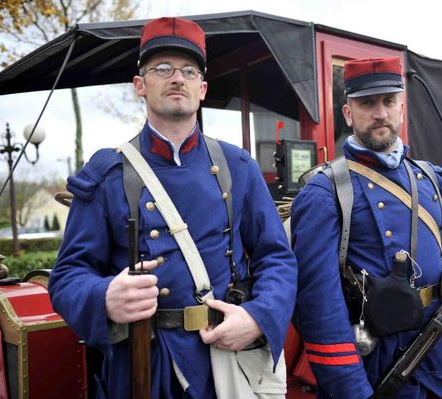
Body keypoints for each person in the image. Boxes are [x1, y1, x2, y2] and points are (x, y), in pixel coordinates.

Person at [48, 16, 297, 399]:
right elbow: (67, 275)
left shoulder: (238, 166)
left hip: (223, 364)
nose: (177, 78)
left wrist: (258, 317)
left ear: (202, 88)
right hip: (141, 369)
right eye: (162, 68)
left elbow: (276, 258)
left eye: (189, 70)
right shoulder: (107, 173)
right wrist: (103, 297)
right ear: (140, 86)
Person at [291, 57, 442, 399]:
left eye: (388, 100)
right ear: (348, 114)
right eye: (367, 103)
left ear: (401, 106)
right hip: (374, 367)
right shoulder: (324, 192)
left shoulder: (431, 177)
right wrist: (352, 391)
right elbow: (318, 307)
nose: (380, 112)